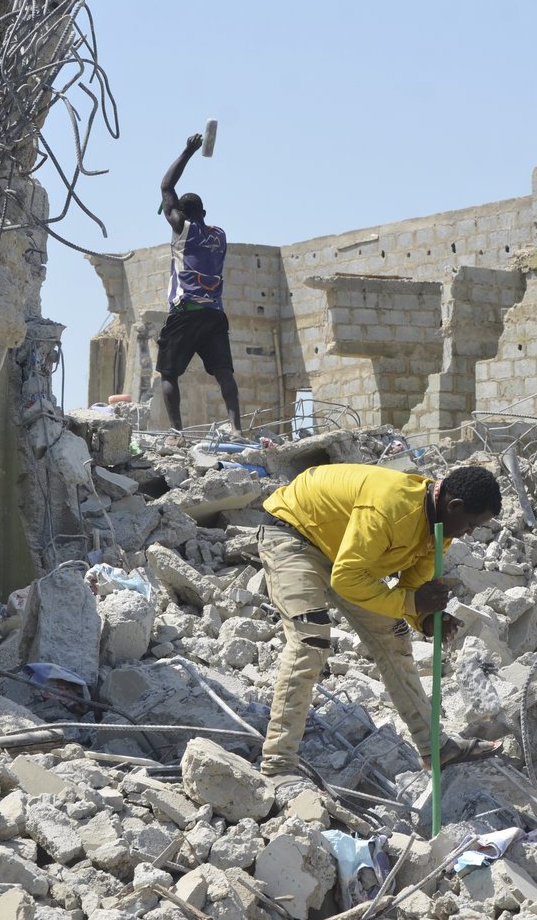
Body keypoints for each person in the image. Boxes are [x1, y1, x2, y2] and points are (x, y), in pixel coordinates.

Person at [256, 463, 505, 795]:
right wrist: (413, 603)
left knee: (395, 637)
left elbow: (413, 586)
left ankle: (437, 749)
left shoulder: (441, 527)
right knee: (310, 639)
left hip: (347, 555)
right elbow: (347, 578)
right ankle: (278, 764)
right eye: (472, 525)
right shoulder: (391, 507)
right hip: (294, 535)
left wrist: (426, 617)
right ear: (454, 506)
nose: (469, 533)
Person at [157, 133, 242, 435]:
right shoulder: (220, 235)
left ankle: (177, 434)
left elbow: (166, 186)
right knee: (224, 373)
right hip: (214, 315)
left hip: (186, 311)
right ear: (204, 213)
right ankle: (236, 427)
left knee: (168, 373)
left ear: (178, 213)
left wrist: (188, 151)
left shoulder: (182, 229)